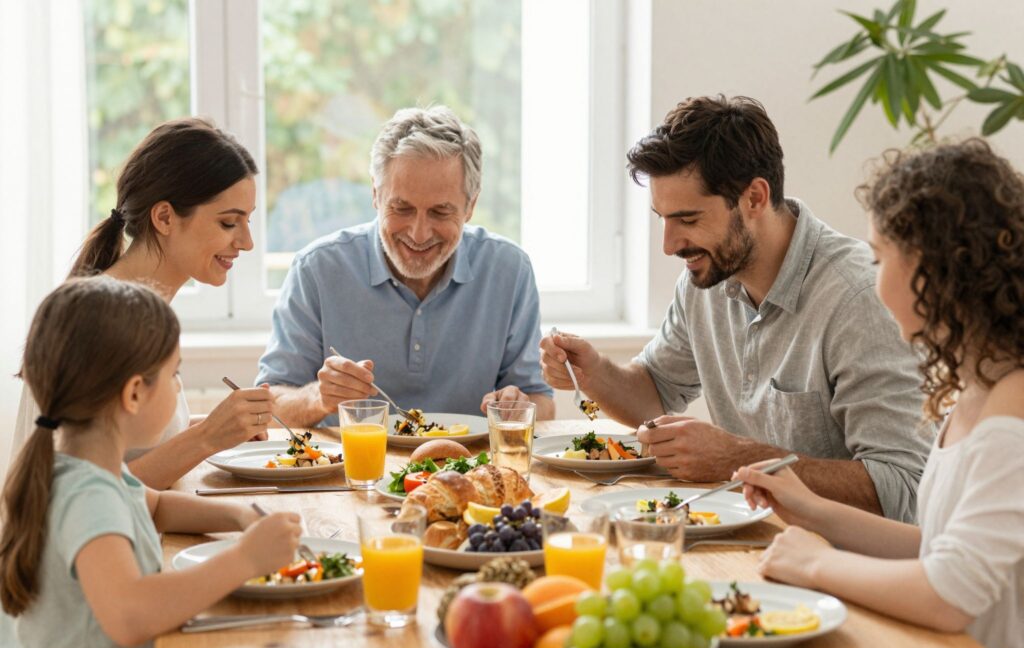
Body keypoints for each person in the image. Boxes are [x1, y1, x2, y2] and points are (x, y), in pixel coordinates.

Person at [736, 138, 1023, 648]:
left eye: (879, 256)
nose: (872, 275)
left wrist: (815, 566)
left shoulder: (1014, 412)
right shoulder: (979, 386)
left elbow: (949, 594)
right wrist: (812, 510)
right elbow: (941, 542)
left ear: (936, 267)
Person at [540, 95, 931, 520]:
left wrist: (737, 458)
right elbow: (655, 393)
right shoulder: (705, 280)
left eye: (688, 220)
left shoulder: (859, 299)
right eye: (663, 219)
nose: (669, 245)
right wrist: (594, 373)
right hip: (751, 538)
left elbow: (903, 488)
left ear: (755, 198)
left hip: (843, 564)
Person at [0, 277, 301, 648]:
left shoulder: (81, 467)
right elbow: (131, 616)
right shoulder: (87, 495)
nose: (180, 386)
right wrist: (246, 558)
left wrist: (239, 515)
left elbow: (155, 504)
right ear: (135, 394)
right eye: (175, 374)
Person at [12, 117, 275, 490]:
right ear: (165, 217)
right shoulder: (96, 321)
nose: (246, 242)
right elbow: (76, 496)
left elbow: (125, 447)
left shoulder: (145, 311)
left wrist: (219, 428)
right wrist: (205, 439)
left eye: (246, 221)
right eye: (229, 223)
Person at [257, 106, 554, 427]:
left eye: (440, 212)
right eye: (402, 208)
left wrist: (519, 406)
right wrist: (319, 397)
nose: (418, 233)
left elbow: (541, 401)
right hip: (349, 474)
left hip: (471, 471)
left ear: (470, 206)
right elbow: (269, 405)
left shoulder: (509, 270)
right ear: (375, 194)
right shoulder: (316, 270)